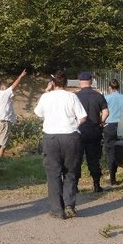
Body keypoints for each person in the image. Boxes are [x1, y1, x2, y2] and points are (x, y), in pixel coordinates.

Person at [34, 70, 86, 219]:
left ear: (53, 83)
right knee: (70, 172)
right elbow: (83, 117)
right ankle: (69, 205)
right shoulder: (72, 96)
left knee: (53, 173)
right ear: (66, 83)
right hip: (70, 136)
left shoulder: (46, 97)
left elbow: (38, 113)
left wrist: (46, 91)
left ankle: (57, 209)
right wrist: (74, 125)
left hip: (51, 137)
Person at [75, 72, 109, 193]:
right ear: (91, 81)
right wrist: (100, 122)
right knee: (94, 159)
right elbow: (106, 112)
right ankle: (96, 185)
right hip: (94, 130)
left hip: (79, 131)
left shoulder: (75, 96)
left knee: (76, 159)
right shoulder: (98, 96)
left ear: (79, 82)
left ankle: (75, 186)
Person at [0, 69, 27, 157]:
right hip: (4, 122)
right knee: (3, 142)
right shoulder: (4, 94)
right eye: (6, 88)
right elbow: (14, 86)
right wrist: (20, 76)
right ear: (2, 88)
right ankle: (1, 157)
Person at [103, 79, 123, 186]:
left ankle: (112, 177)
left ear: (109, 87)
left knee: (111, 152)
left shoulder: (106, 98)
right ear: (118, 87)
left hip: (110, 126)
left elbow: (104, 112)